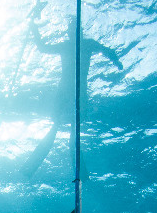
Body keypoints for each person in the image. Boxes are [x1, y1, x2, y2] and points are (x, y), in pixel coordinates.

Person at [21, 17, 124, 179]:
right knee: (66, 126)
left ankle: (73, 165)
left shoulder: (80, 44)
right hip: (74, 90)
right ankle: (73, 165)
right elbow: (107, 51)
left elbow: (42, 47)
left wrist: (34, 29)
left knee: (65, 125)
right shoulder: (85, 44)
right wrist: (116, 61)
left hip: (71, 90)